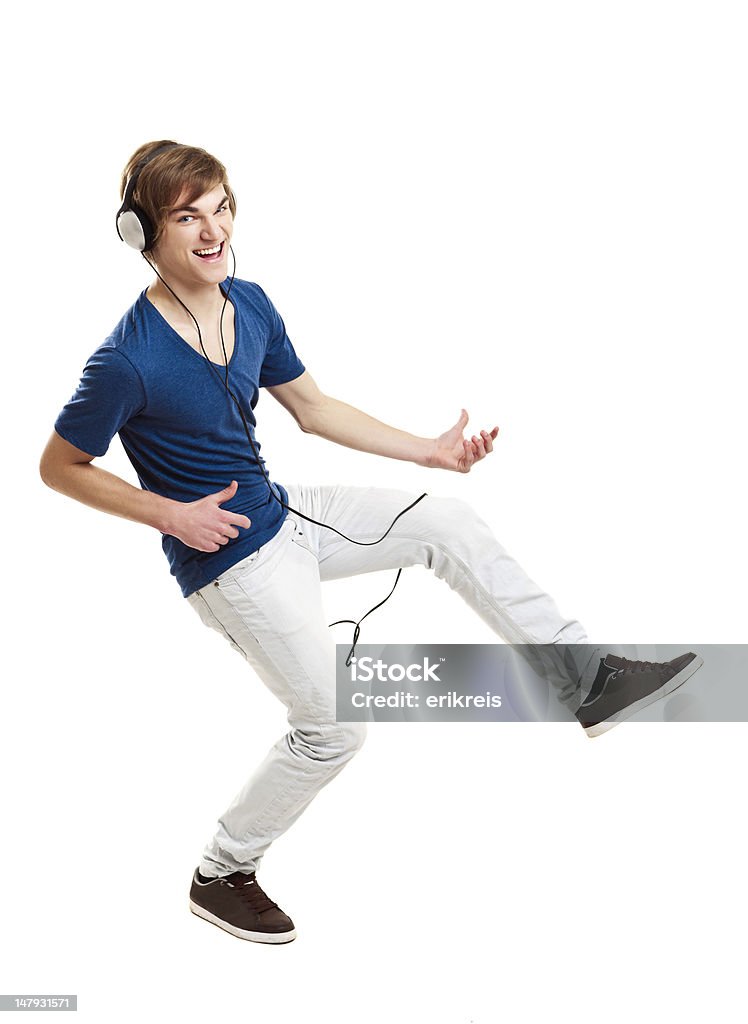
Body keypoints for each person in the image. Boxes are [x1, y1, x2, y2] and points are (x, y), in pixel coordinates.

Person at [40, 140, 702, 945]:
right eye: (187, 217)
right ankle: (222, 870)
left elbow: (313, 408)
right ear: (141, 234)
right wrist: (168, 515)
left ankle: (586, 677)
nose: (212, 231)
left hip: (285, 515)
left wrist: (430, 451)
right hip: (229, 564)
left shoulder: (249, 302)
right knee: (336, 728)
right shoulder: (125, 358)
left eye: (221, 208)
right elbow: (59, 466)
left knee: (446, 523)